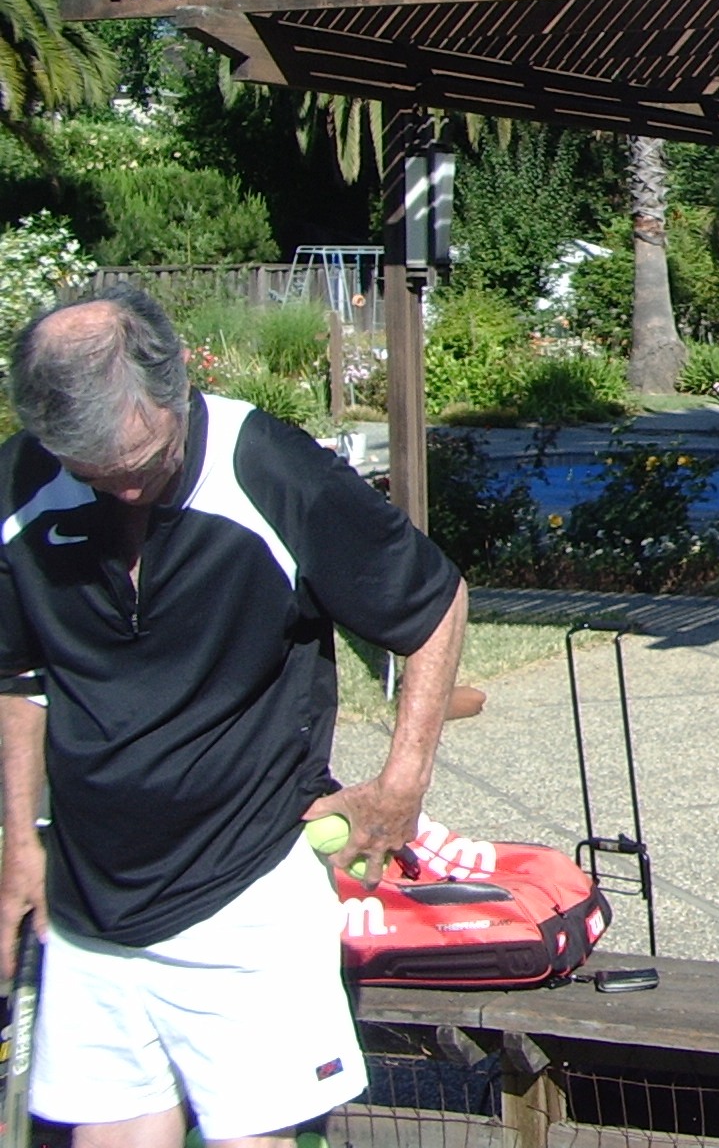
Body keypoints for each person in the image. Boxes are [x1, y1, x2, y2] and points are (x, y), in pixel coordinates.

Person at [0, 285, 467, 1145]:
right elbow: (16, 676)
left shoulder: (266, 467)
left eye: (143, 458)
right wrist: (18, 842)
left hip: (248, 890)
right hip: (89, 904)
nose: (127, 487)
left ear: (178, 390)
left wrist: (401, 784)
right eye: (98, 473)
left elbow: (433, 604)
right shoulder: (25, 481)